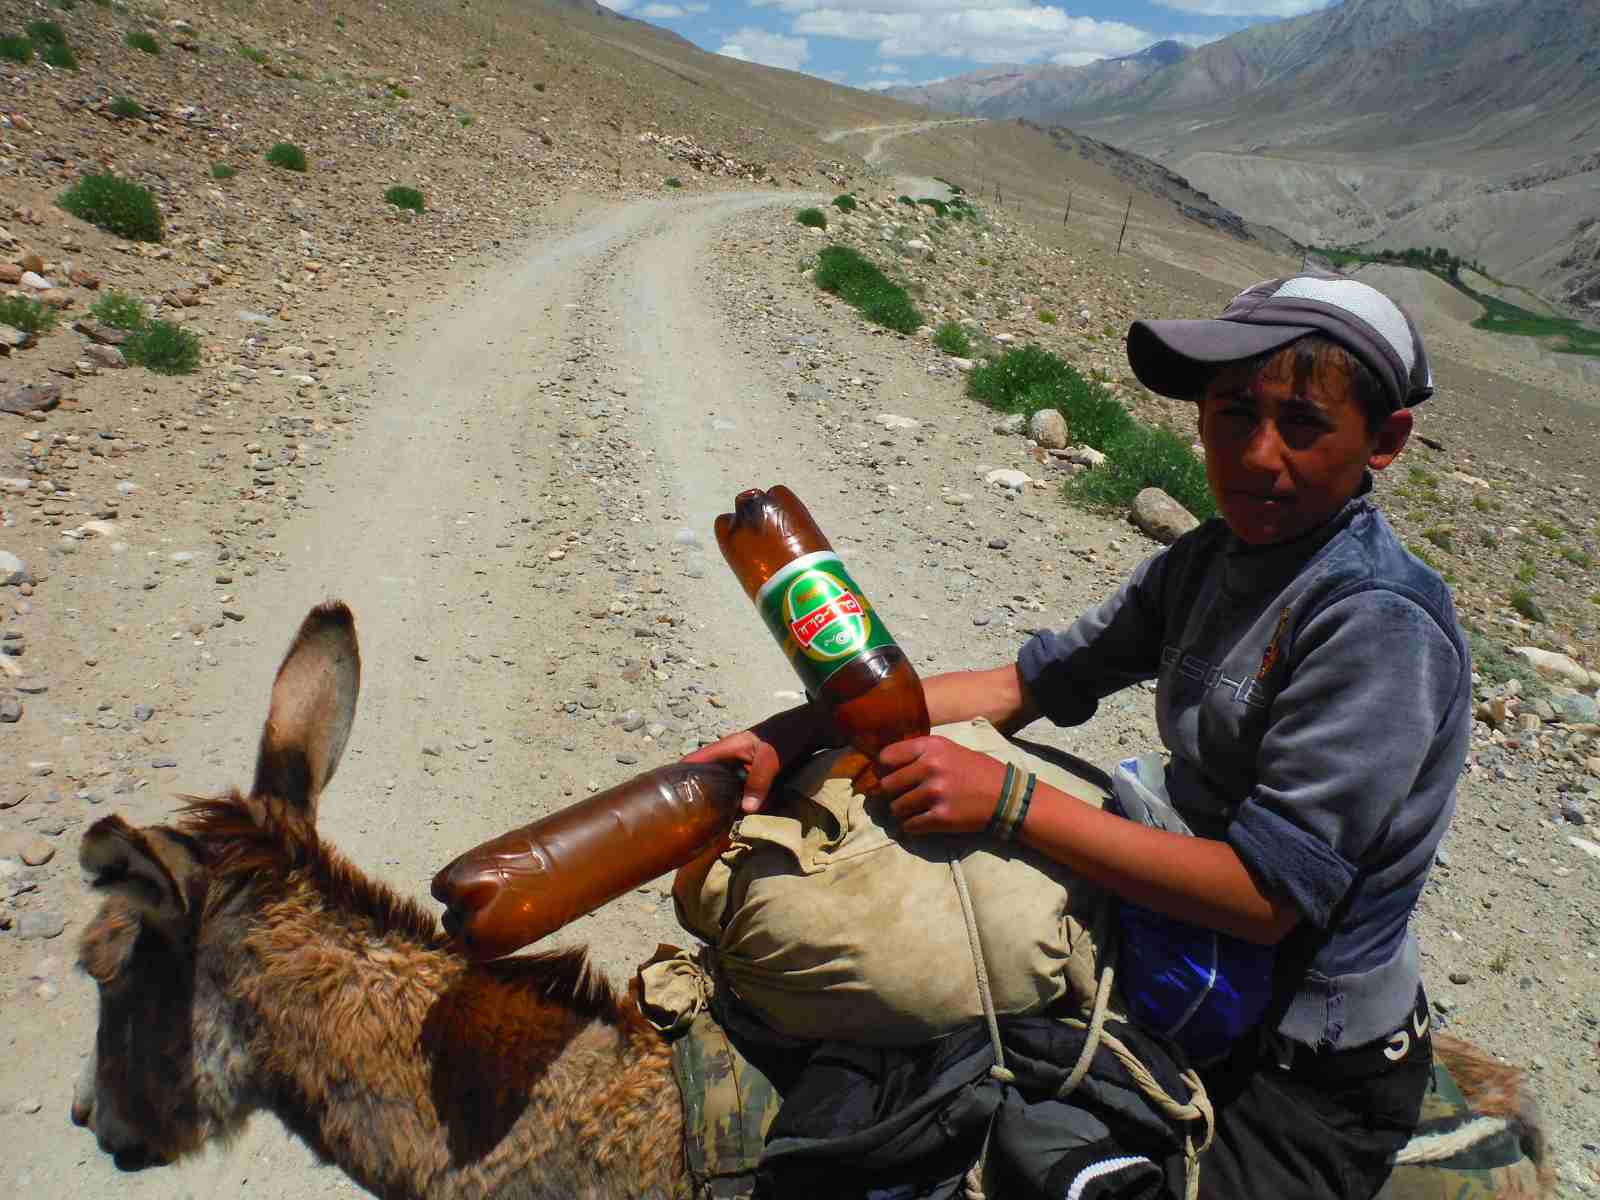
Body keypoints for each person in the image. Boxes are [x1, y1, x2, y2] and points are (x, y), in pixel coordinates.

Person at [686, 272, 1471, 1200]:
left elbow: (1268, 895)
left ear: (1384, 442)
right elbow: (1022, 685)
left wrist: (1011, 803)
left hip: (1300, 1059)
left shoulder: (1376, 622)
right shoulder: (1208, 562)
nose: (1258, 456)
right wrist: (791, 730)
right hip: (1180, 964)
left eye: (1302, 425)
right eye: (1232, 416)